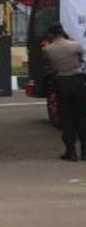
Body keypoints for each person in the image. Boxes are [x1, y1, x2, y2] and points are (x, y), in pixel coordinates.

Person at [41, 24, 86, 161]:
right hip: (78, 82)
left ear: (50, 35)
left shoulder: (47, 49)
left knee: (67, 119)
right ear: (63, 32)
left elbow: (50, 66)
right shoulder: (75, 45)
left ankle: (70, 152)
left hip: (62, 83)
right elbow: (81, 58)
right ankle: (85, 152)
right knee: (82, 117)